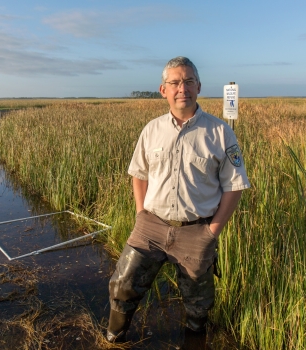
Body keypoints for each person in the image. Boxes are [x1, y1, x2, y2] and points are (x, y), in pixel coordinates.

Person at [106, 56, 251, 343]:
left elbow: (234, 186)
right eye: (174, 82)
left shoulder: (220, 132)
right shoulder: (152, 129)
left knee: (198, 305)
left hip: (197, 230)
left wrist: (212, 232)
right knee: (123, 284)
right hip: (151, 226)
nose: (181, 87)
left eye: (188, 81)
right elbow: (140, 174)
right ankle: (113, 337)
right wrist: (140, 214)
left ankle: (194, 342)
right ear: (163, 90)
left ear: (198, 87)